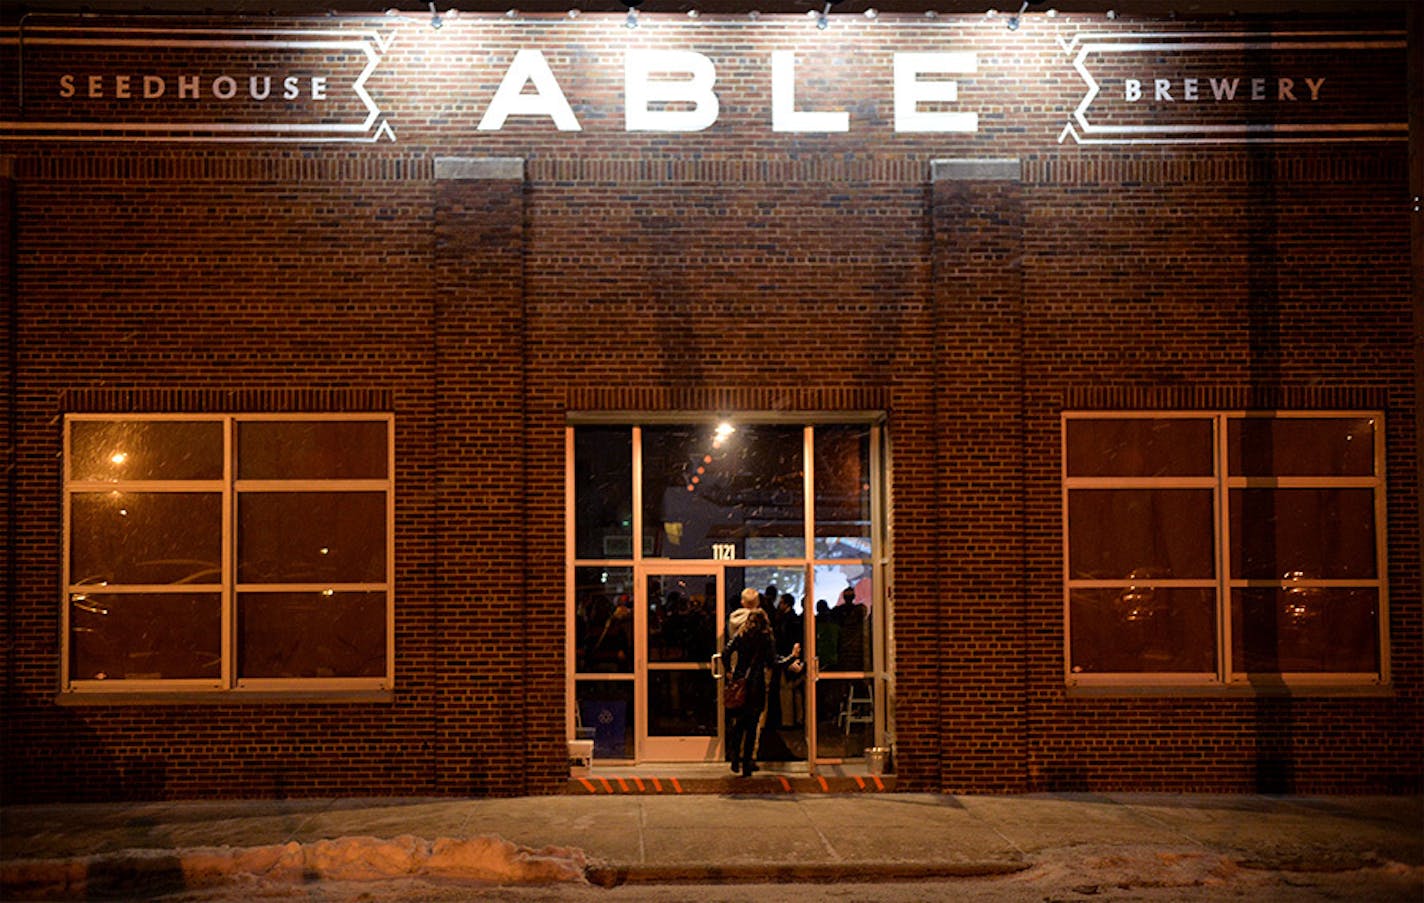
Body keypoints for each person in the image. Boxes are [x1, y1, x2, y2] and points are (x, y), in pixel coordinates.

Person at [723, 602, 801, 777]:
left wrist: (729, 671)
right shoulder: (766, 637)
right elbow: (774, 662)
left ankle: (735, 758)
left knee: (739, 724)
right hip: (756, 685)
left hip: (740, 682)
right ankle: (747, 763)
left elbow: (725, 652)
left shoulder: (741, 635)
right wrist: (792, 657)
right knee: (752, 726)